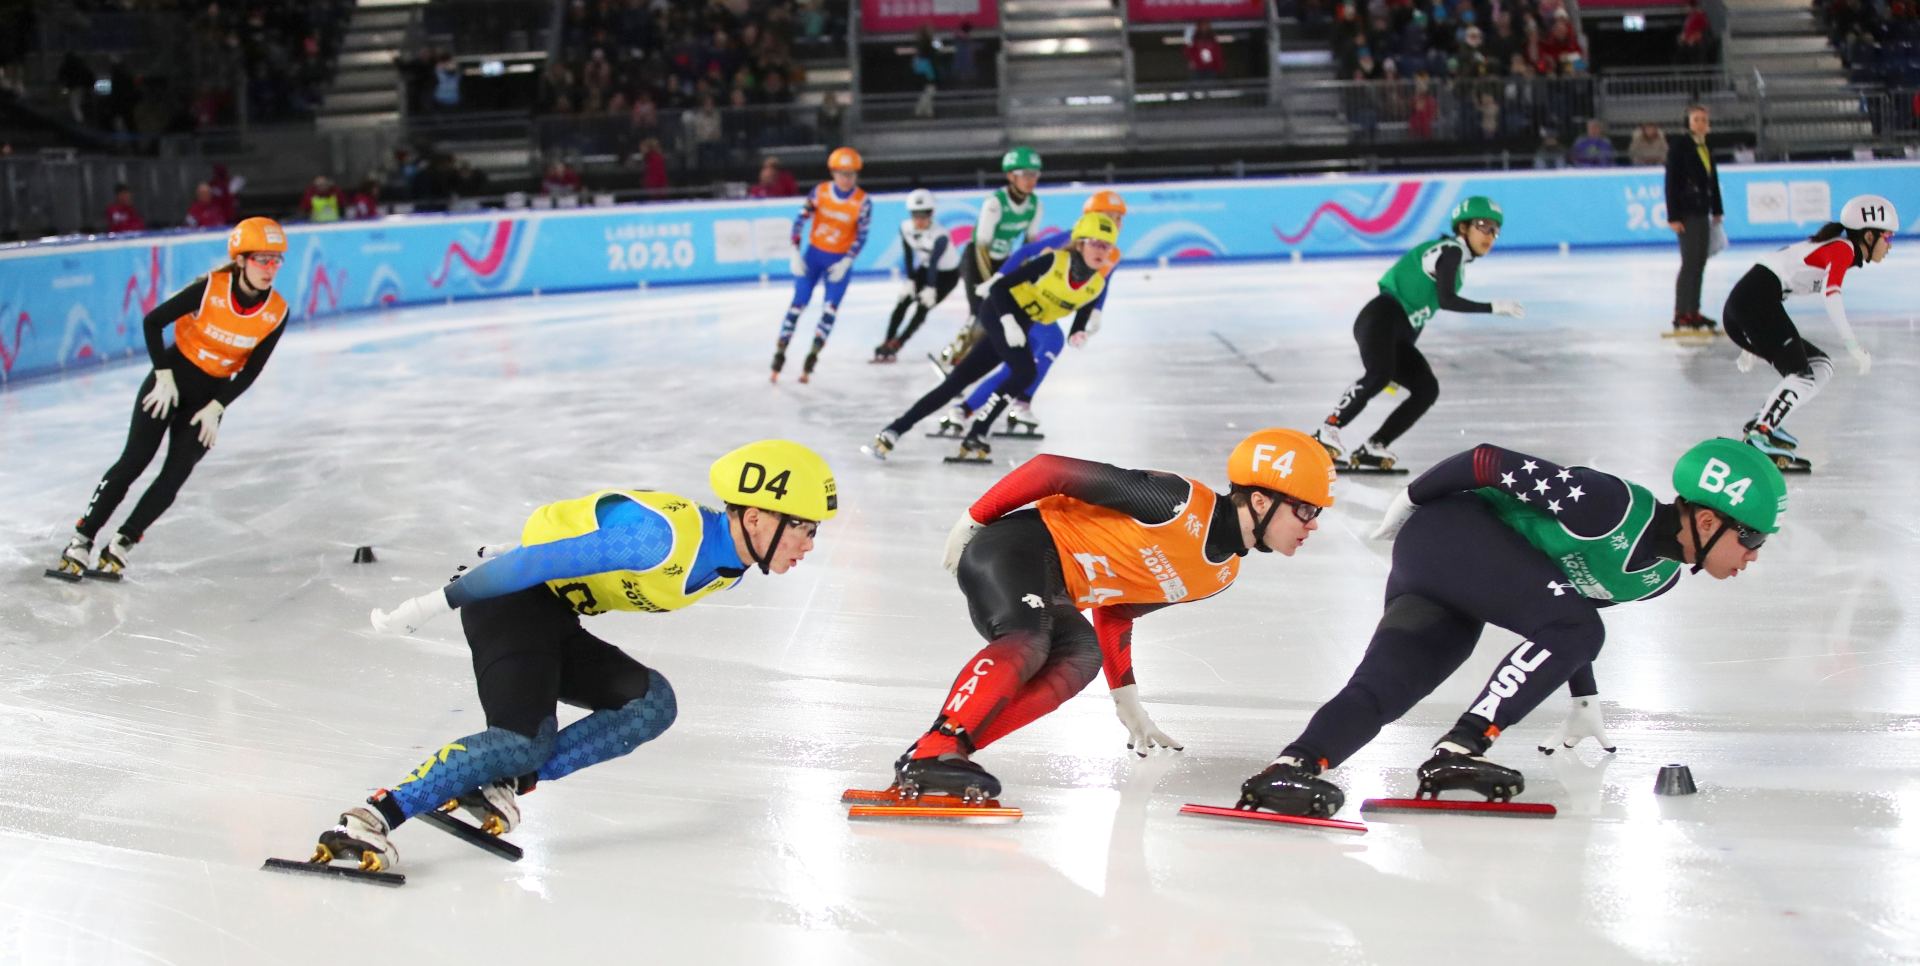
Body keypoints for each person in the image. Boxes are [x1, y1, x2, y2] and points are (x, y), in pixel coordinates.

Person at [305, 441, 838, 874]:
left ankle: (500, 780)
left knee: (652, 704)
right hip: (508, 596)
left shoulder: (728, 568)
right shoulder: (663, 541)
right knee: (521, 740)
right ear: (756, 516)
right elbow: (530, 565)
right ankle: (372, 816)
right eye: (803, 527)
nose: (809, 544)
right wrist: (428, 606)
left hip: (553, 615)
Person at [1238, 438, 1786, 817]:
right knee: (1575, 628)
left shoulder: (1657, 578)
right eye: (1753, 539)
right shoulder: (1610, 506)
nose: (1754, 555)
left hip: (1458, 577)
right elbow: (1486, 461)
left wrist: (1584, 696)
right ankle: (1460, 748)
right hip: (1447, 532)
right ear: (1708, 521)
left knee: (1390, 684)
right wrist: (1410, 499)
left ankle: (1291, 767)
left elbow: (1569, 621)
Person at [876, 430, 1336, 801]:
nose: (1312, 523)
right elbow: (1050, 471)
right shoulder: (1175, 502)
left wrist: (1127, 699)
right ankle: (937, 748)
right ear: (1261, 502)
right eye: (1305, 509)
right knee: (1030, 640)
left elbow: (1116, 612)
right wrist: (971, 521)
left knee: (1080, 657)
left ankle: (945, 752)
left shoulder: (1220, 575)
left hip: (1056, 590)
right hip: (1018, 548)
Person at [50, 218, 291, 580]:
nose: (270, 269)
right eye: (262, 260)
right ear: (241, 260)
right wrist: (163, 374)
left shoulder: (276, 312)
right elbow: (152, 322)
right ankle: (81, 540)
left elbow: (252, 370)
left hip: (209, 399)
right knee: (134, 461)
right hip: (172, 381)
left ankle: (121, 543)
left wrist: (217, 407)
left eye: (276, 261)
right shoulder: (209, 289)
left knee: (175, 474)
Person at [868, 211, 1118, 463]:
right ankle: (977, 432)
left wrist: (1077, 334)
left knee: (958, 381)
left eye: (1106, 246)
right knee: (1025, 372)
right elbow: (1000, 287)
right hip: (999, 311)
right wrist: (1009, 322)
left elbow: (1080, 320)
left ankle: (893, 430)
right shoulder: (1054, 261)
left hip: (1022, 324)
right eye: (1095, 243)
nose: (1101, 251)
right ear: (1080, 243)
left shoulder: (1095, 286)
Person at [1309, 197, 1526, 471]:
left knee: (1426, 389)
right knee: (1379, 375)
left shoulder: (1454, 260)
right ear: (1463, 227)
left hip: (1398, 330)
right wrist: (1493, 307)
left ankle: (1374, 446)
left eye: (1495, 230)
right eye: (1483, 226)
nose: (1489, 235)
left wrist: (1396, 361)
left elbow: (1419, 316)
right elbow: (1446, 300)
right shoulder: (1452, 251)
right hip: (1382, 316)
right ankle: (1327, 430)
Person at [1724, 194, 1896, 472]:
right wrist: (1853, 346)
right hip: (1753, 304)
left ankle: (1766, 421)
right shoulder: (1843, 249)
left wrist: (1750, 336)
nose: (1890, 245)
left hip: (1750, 304)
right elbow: (1832, 294)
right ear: (1868, 236)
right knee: (1801, 376)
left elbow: (1775, 270)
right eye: (1887, 237)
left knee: (1820, 366)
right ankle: (1760, 433)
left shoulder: (1835, 246)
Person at [943, 190, 1130, 435]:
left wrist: (1096, 312)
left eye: (1119, 218)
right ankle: (1019, 403)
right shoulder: (1075, 238)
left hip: (1046, 311)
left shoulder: (1112, 252)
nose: (1116, 223)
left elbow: (1101, 285)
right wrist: (1000, 277)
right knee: (1051, 342)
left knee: (1016, 368)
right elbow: (1026, 252)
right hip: (1027, 303)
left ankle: (965, 409)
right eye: (1110, 216)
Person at [933, 147, 1045, 370]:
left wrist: (1025, 276)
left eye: (1034, 174)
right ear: (1011, 176)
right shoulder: (995, 203)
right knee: (980, 312)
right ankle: (952, 356)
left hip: (1003, 261)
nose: (1031, 180)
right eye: (1025, 174)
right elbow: (981, 246)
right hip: (977, 259)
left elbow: (1029, 245)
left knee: (1002, 312)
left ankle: (971, 359)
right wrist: (989, 282)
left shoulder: (1035, 205)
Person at [770, 146, 872, 383]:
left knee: (830, 310)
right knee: (798, 304)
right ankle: (779, 355)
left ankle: (811, 359)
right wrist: (794, 250)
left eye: (851, 174)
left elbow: (862, 235)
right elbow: (800, 220)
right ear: (833, 173)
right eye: (842, 174)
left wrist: (847, 260)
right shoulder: (820, 192)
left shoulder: (863, 202)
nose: (847, 179)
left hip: (839, 260)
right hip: (813, 257)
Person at [873, 188, 960, 362]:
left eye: (924, 215)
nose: (919, 220)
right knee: (903, 302)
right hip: (926, 269)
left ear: (931, 214)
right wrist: (911, 279)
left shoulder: (940, 235)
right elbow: (908, 254)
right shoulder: (905, 228)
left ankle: (898, 344)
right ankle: (887, 340)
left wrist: (931, 287)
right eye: (915, 215)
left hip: (947, 276)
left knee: (922, 308)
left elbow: (935, 261)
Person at [1666, 104, 1724, 332]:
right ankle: (1681, 313)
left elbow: (1712, 180)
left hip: (1702, 211)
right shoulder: (1680, 145)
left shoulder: (1706, 145)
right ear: (1689, 123)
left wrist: (1717, 209)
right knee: (1690, 262)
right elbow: (1671, 181)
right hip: (1686, 213)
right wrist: (1673, 216)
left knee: (1699, 261)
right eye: (1696, 119)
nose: (1700, 123)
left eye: (1703, 120)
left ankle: (1693, 311)